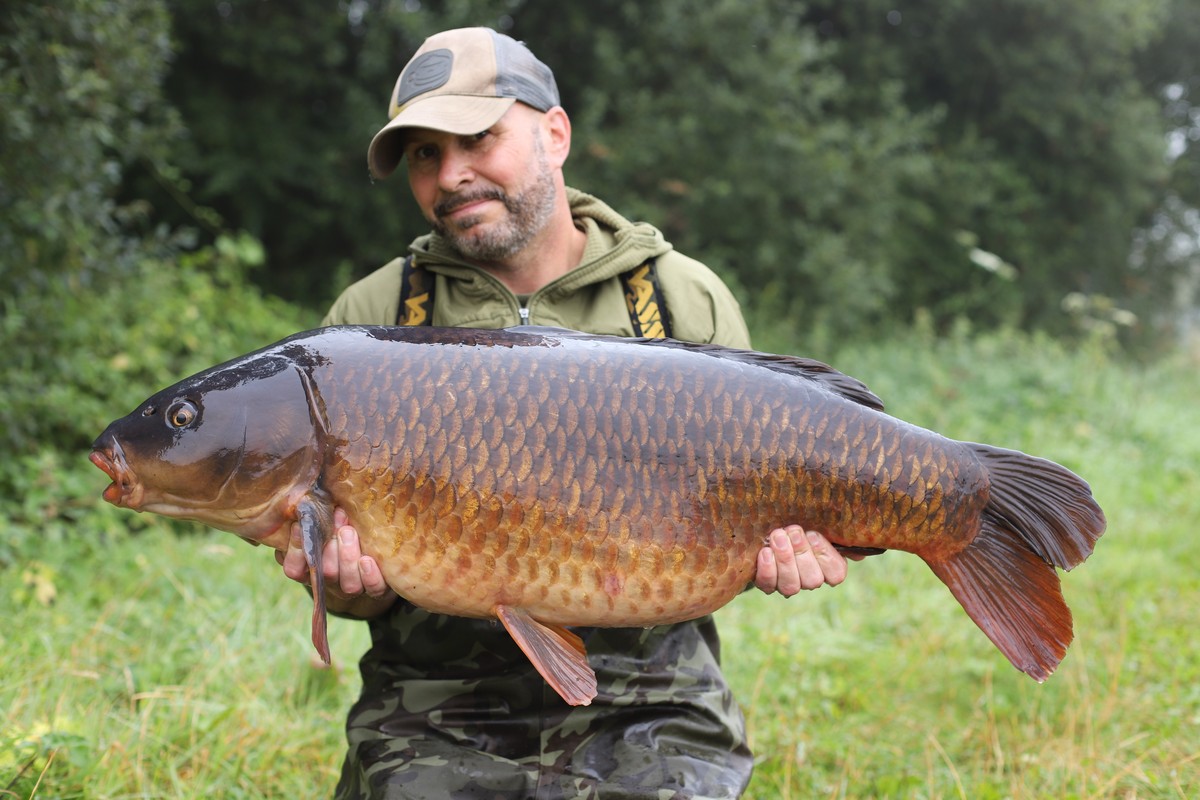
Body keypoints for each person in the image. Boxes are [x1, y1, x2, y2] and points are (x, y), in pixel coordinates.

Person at [276, 27, 852, 800]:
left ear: (555, 132)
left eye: (478, 138)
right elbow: (348, 585)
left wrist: (784, 546)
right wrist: (346, 584)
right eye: (423, 154)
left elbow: (753, 509)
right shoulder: (373, 317)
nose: (451, 175)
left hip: (650, 704)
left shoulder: (678, 297)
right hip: (435, 708)